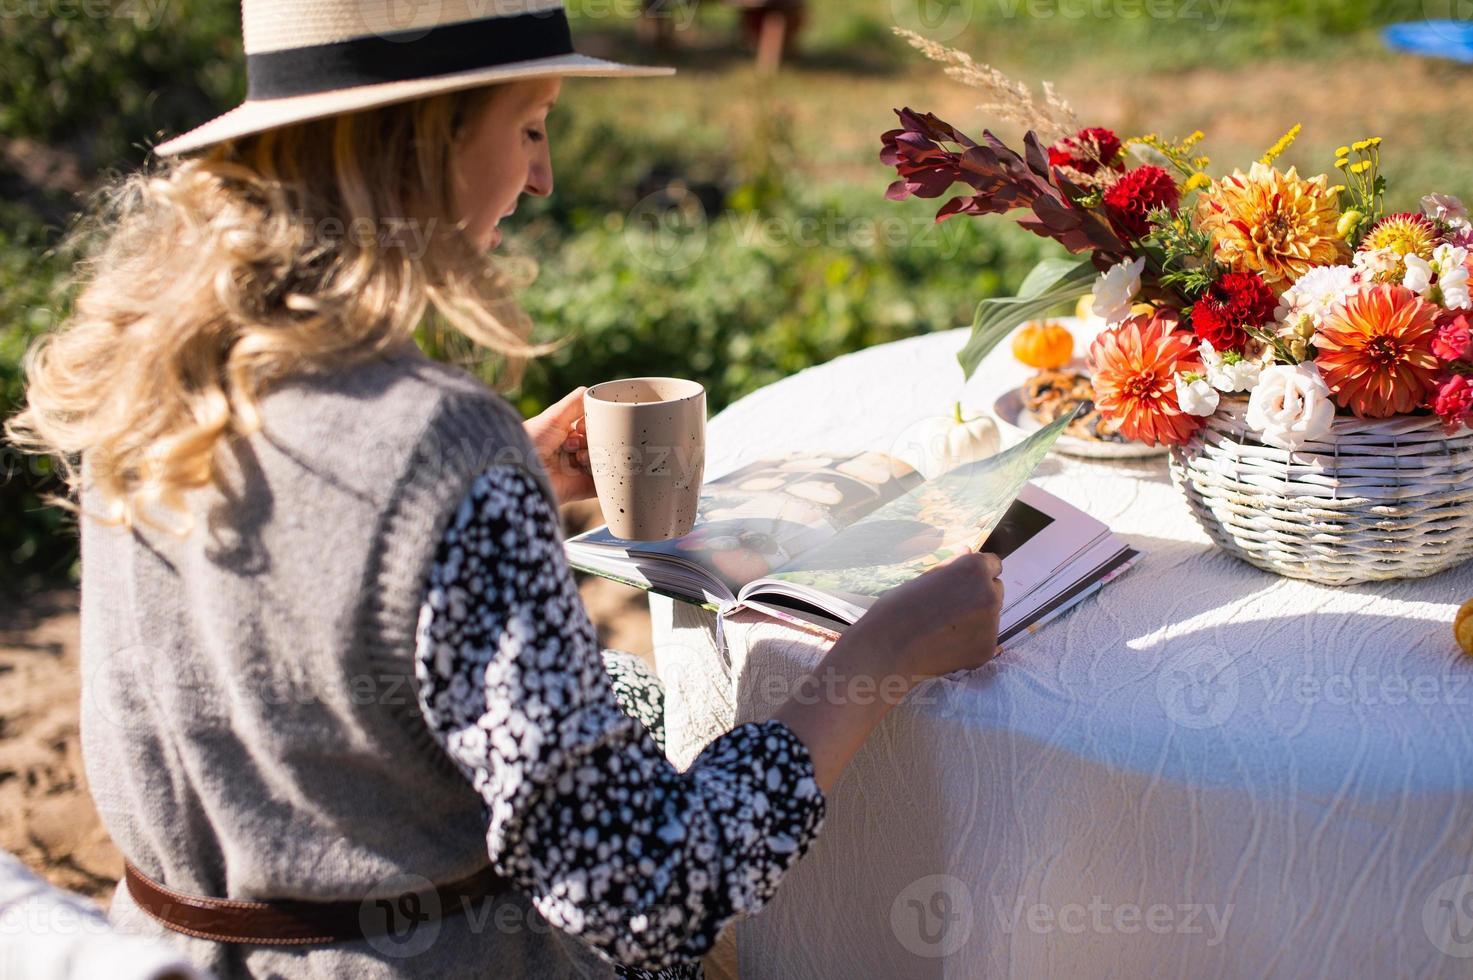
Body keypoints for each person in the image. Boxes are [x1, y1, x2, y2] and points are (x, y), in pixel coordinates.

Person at [4, 2, 1006, 977]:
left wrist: (483, 493)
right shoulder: (435, 442)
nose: (542, 176)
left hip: (161, 950)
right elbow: (646, 891)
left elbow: (276, 593)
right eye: (529, 126)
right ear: (426, 140)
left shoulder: (147, 363)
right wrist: (877, 658)